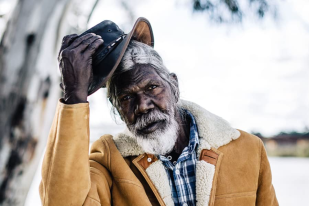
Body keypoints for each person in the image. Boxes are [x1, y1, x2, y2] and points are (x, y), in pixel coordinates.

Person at [39, 17, 278, 206]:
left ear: (174, 86)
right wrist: (74, 96)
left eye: (152, 87)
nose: (143, 105)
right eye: (127, 97)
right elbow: (61, 202)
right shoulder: (109, 160)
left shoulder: (248, 150)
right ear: (118, 110)